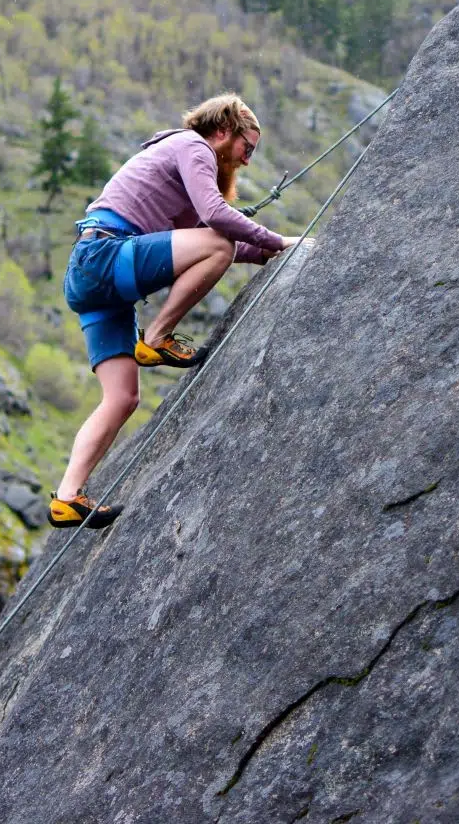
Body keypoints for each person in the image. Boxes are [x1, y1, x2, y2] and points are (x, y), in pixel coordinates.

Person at [49, 93, 304, 530]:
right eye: (248, 147)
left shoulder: (178, 162)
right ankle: (158, 337)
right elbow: (215, 223)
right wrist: (277, 240)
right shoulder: (194, 147)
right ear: (223, 131)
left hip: (93, 279)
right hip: (106, 257)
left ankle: (67, 497)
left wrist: (270, 251)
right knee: (218, 243)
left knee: (123, 397)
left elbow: (205, 239)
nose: (246, 160)